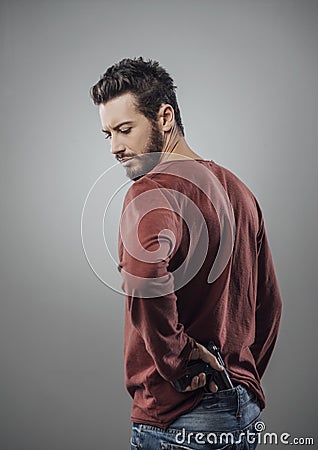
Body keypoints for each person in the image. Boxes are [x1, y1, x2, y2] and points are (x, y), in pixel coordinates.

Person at [90, 57, 282, 450]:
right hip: (243, 413)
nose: (115, 147)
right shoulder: (240, 192)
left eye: (125, 130)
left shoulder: (149, 191)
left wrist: (179, 361)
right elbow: (270, 305)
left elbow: (144, 280)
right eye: (107, 134)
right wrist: (239, 377)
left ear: (164, 118)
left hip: (178, 418)